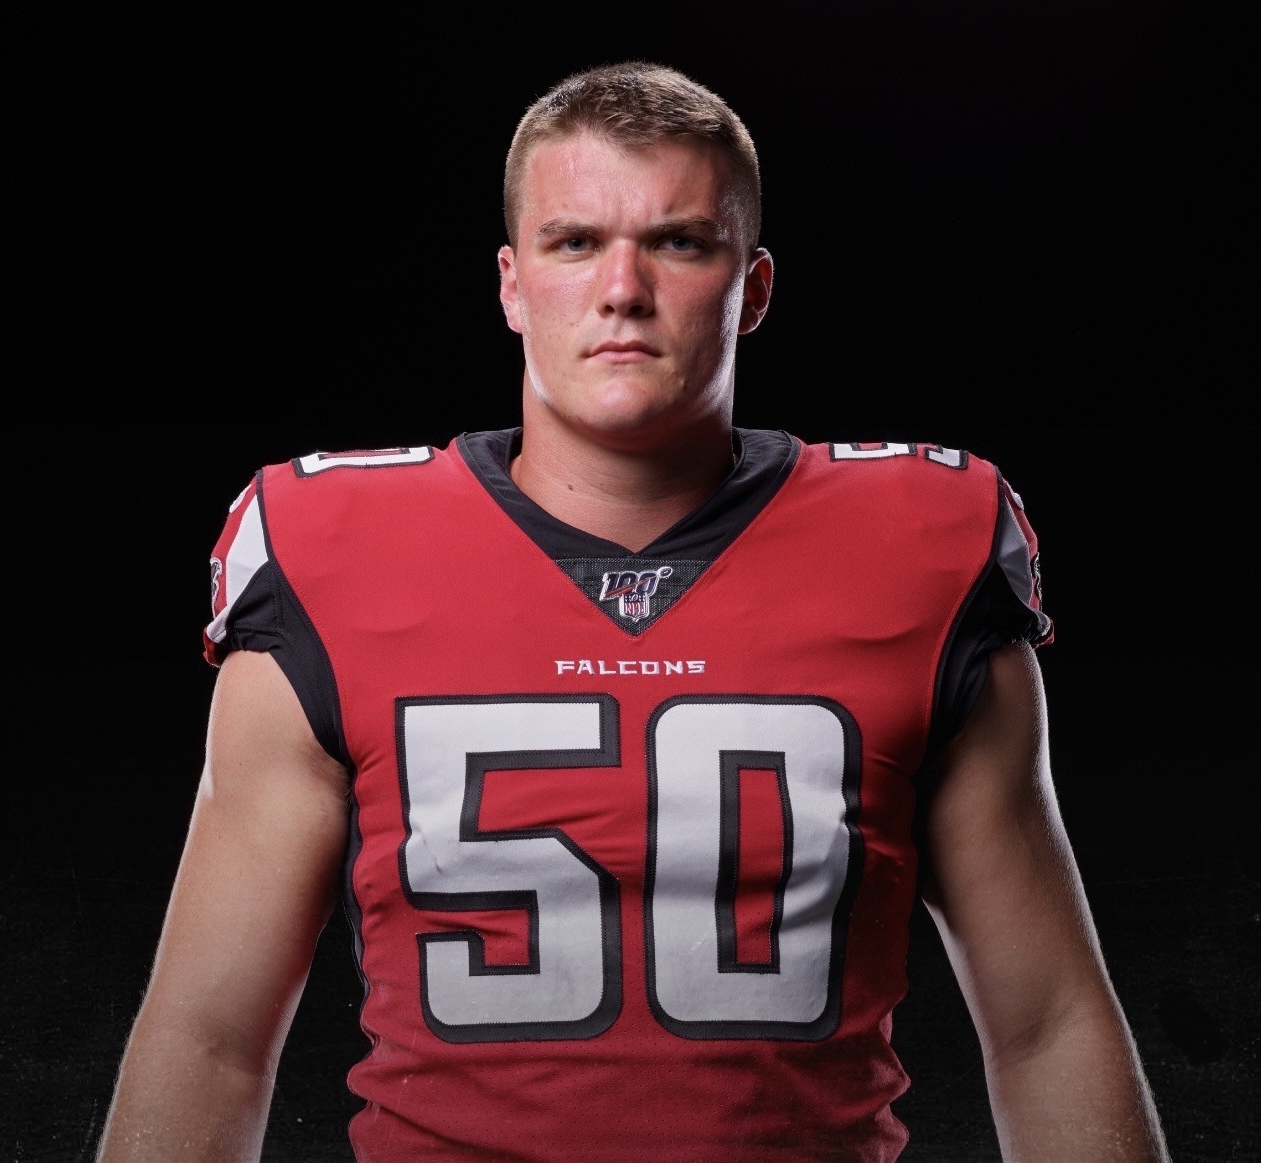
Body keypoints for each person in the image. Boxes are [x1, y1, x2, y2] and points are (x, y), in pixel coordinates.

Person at [96, 60, 1169, 1162]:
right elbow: (211, 1036)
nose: (622, 289)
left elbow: (1044, 1022)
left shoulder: (920, 549)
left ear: (753, 287)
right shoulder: (330, 553)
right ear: (512, 284)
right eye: (574, 242)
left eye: (679, 242)